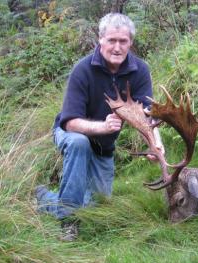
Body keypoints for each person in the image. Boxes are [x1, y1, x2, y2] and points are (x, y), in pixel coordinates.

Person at [36, 13, 163, 241]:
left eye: (123, 41)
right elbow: (70, 122)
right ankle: (68, 223)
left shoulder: (140, 71)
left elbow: (147, 114)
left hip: (104, 148)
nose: (117, 47)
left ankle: (44, 198)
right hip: (72, 134)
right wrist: (103, 127)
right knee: (79, 143)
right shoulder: (83, 70)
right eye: (111, 40)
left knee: (96, 208)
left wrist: (156, 144)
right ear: (100, 39)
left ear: (130, 43)